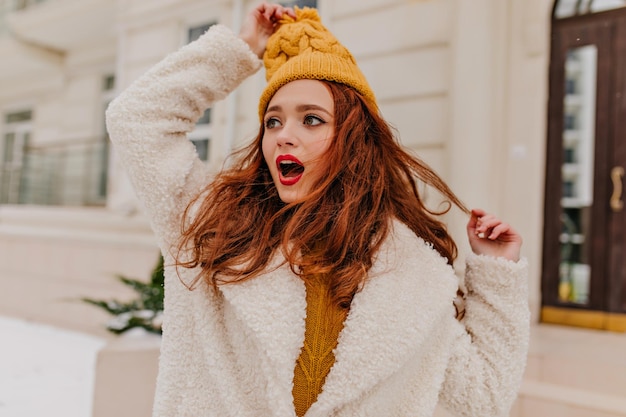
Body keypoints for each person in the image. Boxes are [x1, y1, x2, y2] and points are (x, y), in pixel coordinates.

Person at [106, 3, 530, 417]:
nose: (284, 136)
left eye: (311, 119)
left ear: (354, 138)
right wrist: (243, 47)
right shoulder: (216, 227)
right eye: (273, 121)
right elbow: (136, 119)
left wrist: (496, 275)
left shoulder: (415, 276)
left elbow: (485, 397)